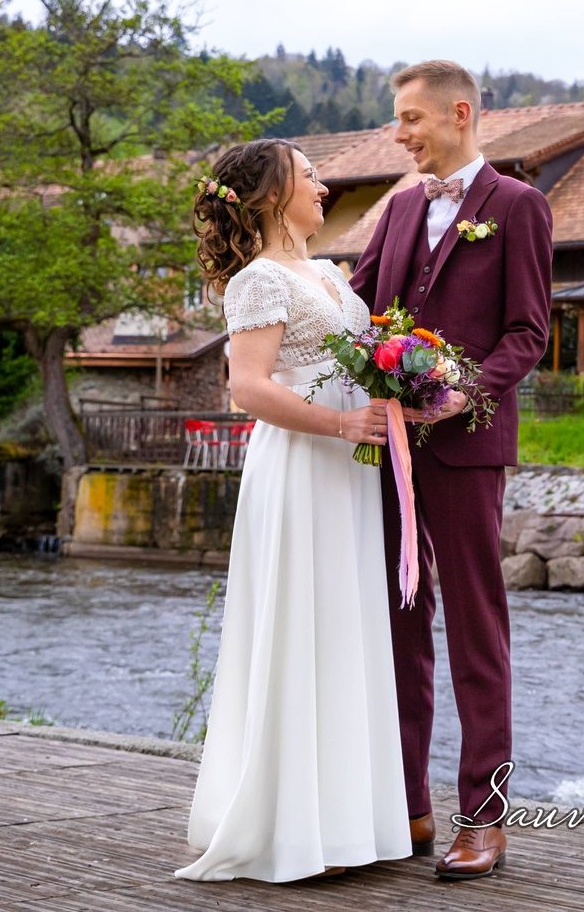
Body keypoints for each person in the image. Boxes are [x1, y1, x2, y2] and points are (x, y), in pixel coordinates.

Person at [174, 138, 410, 884]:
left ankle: (346, 822)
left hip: (349, 473)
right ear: (274, 194)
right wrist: (339, 423)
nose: (323, 186)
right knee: (302, 624)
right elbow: (248, 387)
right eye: (310, 175)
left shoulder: (332, 275)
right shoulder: (257, 280)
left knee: (344, 628)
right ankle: (292, 827)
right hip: (303, 464)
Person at [348, 60, 554, 881]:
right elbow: (357, 305)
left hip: (468, 444)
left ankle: (484, 817)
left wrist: (466, 391)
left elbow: (527, 331)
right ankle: (409, 804)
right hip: (388, 446)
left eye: (409, 118)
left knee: (476, 629)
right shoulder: (399, 206)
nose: (398, 133)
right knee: (397, 621)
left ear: (458, 113)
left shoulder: (518, 205)